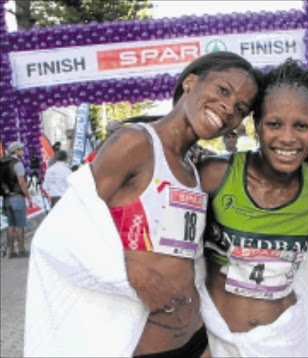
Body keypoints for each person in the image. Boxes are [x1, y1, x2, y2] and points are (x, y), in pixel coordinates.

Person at [24, 52, 261, 357]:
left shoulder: (195, 169)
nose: (228, 108)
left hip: (198, 340)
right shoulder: (135, 143)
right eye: (223, 90)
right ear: (190, 82)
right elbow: (58, 234)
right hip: (144, 345)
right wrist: (135, 274)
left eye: (240, 108)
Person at [197, 59, 308, 356]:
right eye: (274, 124)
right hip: (216, 339)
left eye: (300, 126)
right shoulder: (215, 175)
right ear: (257, 125)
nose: (287, 138)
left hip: (281, 344)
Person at [1, 141, 33, 259]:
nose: (23, 151)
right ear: (16, 151)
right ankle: (21, 249)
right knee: (20, 225)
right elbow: (21, 182)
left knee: (10, 225)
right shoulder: (17, 164)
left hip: (6, 198)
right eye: (21, 149)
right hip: (17, 197)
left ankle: (11, 251)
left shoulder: (2, 162)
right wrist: (28, 196)